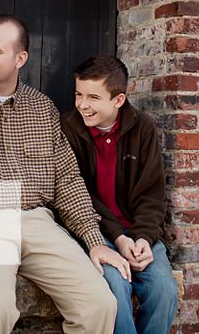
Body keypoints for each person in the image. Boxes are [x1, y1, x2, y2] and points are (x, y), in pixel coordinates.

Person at [0, 15, 127, 333]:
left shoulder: (43, 109)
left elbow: (67, 181)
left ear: (20, 58)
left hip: (37, 222)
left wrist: (94, 240)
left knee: (100, 304)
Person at [61, 54, 178, 334]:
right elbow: (75, 192)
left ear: (118, 100)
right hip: (93, 229)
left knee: (163, 289)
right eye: (78, 94)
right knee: (115, 284)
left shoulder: (143, 128)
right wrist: (118, 237)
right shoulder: (68, 128)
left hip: (137, 231)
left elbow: (152, 194)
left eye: (93, 97)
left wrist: (143, 239)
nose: (83, 105)